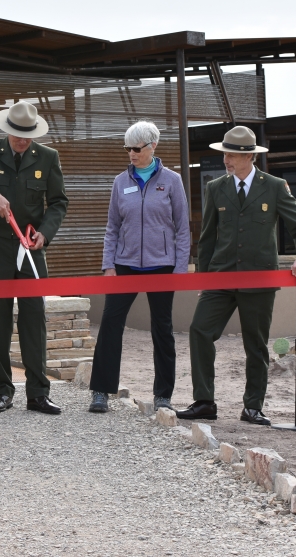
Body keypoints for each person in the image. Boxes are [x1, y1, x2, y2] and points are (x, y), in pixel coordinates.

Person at [177, 126, 296, 426]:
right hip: (221, 278)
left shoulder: (275, 187)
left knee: (256, 344)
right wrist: (203, 279)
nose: (226, 159)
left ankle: (253, 407)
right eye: (225, 153)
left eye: (233, 155)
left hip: (259, 280)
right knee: (200, 330)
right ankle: (204, 402)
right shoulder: (216, 188)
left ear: (249, 156)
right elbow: (208, 237)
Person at [0, 101, 69, 415]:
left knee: (35, 319)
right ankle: (2, 391)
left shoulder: (48, 157)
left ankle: (38, 393)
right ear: (7, 131)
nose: (22, 141)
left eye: (28, 135)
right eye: (17, 135)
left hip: (31, 249)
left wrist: (45, 233)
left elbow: (59, 202)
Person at [88, 121, 190, 414]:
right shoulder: (120, 182)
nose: (131, 154)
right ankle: (100, 392)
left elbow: (182, 228)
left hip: (163, 266)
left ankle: (163, 396)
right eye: (128, 149)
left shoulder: (171, 181)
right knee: (109, 325)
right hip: (125, 265)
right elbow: (112, 227)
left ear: (152, 146)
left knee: (162, 329)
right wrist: (109, 265)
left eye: (136, 149)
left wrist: (179, 269)